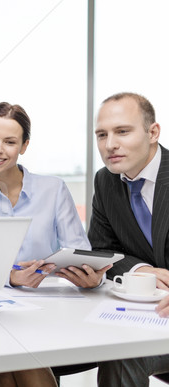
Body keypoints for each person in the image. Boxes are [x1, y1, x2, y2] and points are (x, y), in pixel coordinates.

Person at [0, 102, 107, 289]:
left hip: (48, 297)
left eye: (10, 142)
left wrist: (93, 278)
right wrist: (11, 278)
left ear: (24, 146)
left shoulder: (54, 189)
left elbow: (79, 252)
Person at [89, 92, 169, 387]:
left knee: (123, 351)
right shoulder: (106, 180)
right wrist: (140, 270)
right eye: (102, 135)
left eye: (122, 131)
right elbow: (101, 249)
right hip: (147, 317)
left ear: (153, 132)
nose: (110, 144)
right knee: (119, 350)